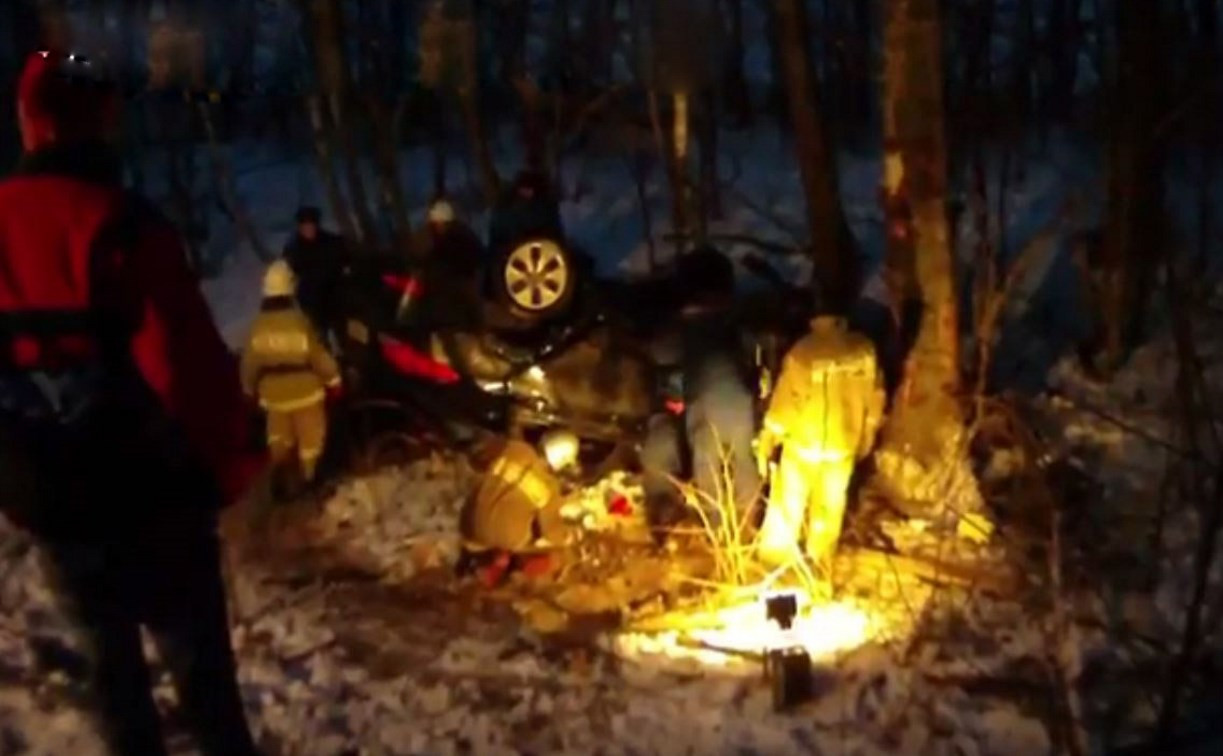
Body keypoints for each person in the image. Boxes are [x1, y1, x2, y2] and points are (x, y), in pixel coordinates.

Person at [0, 50, 262, 755]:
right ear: (99, 124)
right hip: (153, 499)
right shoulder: (121, 224)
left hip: (49, 499)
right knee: (204, 688)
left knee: (111, 684)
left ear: (30, 125)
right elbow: (186, 372)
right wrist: (231, 464)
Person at [640, 246, 761, 524]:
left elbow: (668, 393)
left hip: (702, 413)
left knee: (701, 459)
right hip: (741, 409)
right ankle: (747, 523)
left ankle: (718, 533)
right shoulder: (738, 325)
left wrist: (670, 409)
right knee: (742, 460)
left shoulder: (674, 335)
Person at [754, 316, 885, 571]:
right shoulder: (864, 351)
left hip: (804, 443)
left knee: (788, 502)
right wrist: (867, 433)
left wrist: (769, 436)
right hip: (842, 444)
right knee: (830, 506)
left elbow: (786, 402)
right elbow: (875, 397)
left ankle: (775, 560)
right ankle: (820, 561)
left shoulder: (803, 351)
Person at [240, 261, 342, 499]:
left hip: (273, 397)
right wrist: (334, 380)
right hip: (306, 393)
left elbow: (249, 364)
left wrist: (248, 390)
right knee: (311, 442)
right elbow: (318, 355)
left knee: (279, 438)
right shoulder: (299, 322)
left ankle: (280, 472)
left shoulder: (257, 327)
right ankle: (310, 480)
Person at [414, 198, 486, 330]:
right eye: (435, 224)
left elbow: (476, 255)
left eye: (439, 223)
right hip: (447, 285)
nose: (437, 227)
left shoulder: (461, 235)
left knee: (471, 310)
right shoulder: (435, 238)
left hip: (464, 278)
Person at [283, 205, 348, 342]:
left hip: (334, 296)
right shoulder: (294, 249)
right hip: (311, 301)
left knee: (342, 333)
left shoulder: (331, 242)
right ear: (299, 227)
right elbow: (290, 273)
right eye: (305, 226)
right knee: (319, 336)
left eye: (311, 225)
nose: (308, 229)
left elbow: (344, 261)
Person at [487, 169, 564, 254]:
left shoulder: (546, 207)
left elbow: (556, 236)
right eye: (524, 189)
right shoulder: (503, 211)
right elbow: (496, 243)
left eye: (529, 189)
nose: (527, 193)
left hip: (543, 253)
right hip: (512, 256)